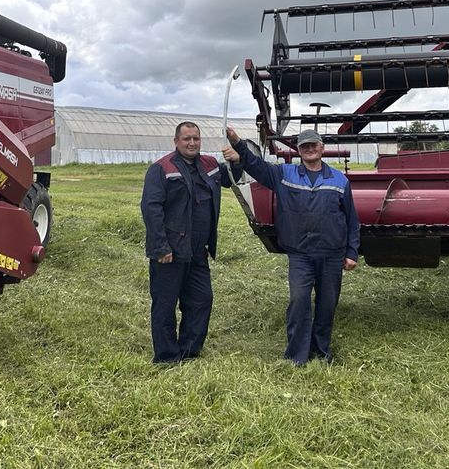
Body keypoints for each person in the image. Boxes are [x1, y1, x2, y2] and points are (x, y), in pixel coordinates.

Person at [222, 127, 359, 365]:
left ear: (322, 148)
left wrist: (351, 252)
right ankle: (297, 355)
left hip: (331, 255)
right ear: (298, 150)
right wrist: (238, 144)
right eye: (304, 146)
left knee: (327, 305)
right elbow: (257, 167)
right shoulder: (284, 174)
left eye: (313, 145)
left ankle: (321, 352)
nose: (309, 149)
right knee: (299, 301)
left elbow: (351, 220)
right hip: (301, 255)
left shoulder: (339, 180)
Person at [141, 121, 242, 364]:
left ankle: (189, 350)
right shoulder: (161, 169)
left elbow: (231, 178)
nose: (192, 143)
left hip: (198, 252)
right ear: (176, 141)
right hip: (171, 252)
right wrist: (160, 247)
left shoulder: (208, 165)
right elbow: (150, 209)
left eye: (195, 138)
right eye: (186, 139)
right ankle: (167, 357)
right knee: (165, 304)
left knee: (201, 300)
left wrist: (237, 160)